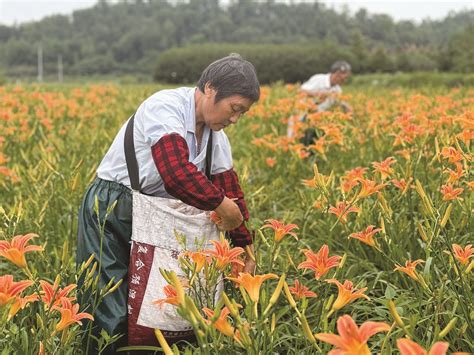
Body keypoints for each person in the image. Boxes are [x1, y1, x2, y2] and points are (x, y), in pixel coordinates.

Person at [76, 53, 259, 353]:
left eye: (243, 113)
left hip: (156, 214)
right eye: (235, 108)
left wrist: (244, 248)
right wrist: (220, 205)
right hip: (112, 208)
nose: (235, 119)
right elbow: (175, 173)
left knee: (154, 311)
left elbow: (231, 192)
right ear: (211, 89)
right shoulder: (165, 107)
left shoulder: (216, 136)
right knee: (109, 310)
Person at [288, 60, 352, 141]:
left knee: (309, 146)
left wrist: (348, 111)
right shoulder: (319, 79)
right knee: (293, 141)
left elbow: (342, 104)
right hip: (300, 116)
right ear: (338, 74)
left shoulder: (337, 89)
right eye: (345, 77)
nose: (345, 80)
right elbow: (299, 91)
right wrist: (316, 94)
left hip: (315, 121)